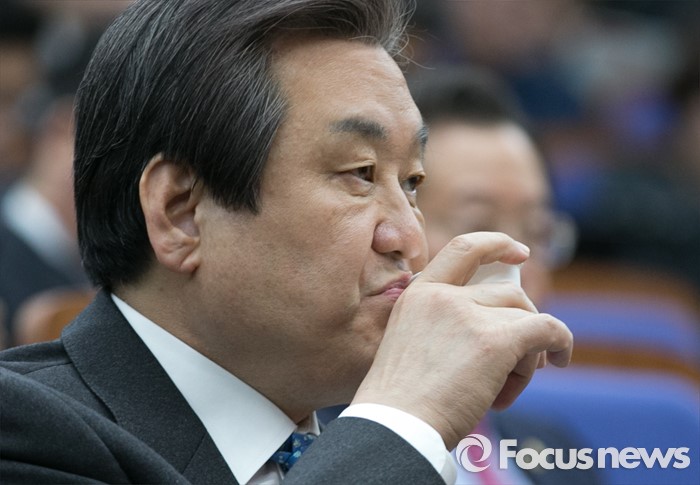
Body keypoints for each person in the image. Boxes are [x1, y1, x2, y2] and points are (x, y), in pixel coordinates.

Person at [0, 1, 573, 484]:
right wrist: (404, 420)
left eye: (413, 182)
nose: (410, 239)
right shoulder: (25, 433)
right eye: (361, 174)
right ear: (182, 214)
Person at [409, 65, 593, 485]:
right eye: (477, 226)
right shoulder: (318, 451)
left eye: (536, 230)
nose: (518, 260)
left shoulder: (557, 452)